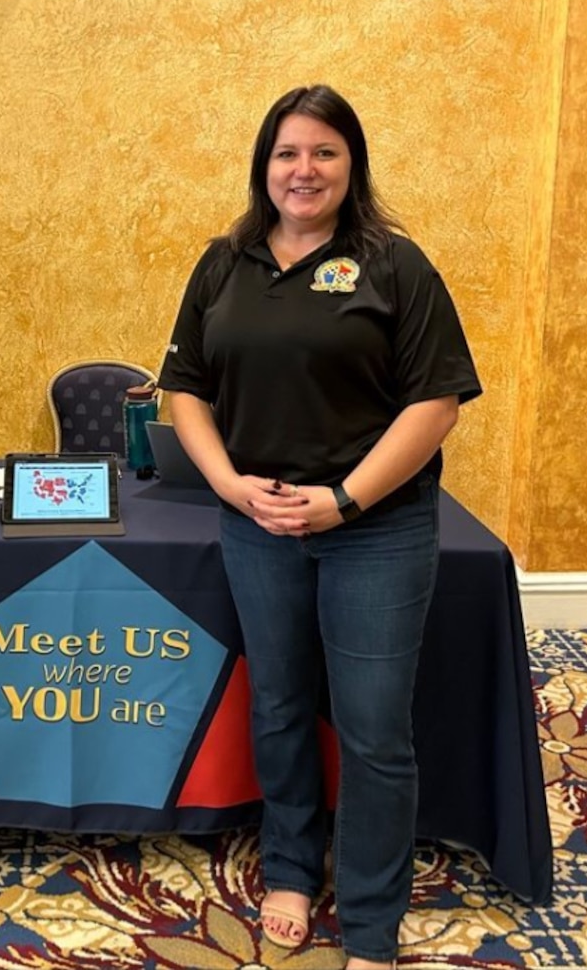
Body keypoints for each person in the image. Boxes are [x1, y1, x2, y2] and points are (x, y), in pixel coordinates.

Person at [158, 84, 480, 969]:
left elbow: (436, 402)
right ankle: (293, 872)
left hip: (374, 530)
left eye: (324, 153)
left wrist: (342, 500)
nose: (304, 170)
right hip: (258, 526)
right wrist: (229, 485)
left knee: (374, 729)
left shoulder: (392, 264)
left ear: (352, 164)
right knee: (280, 707)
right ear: (263, 166)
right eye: (287, 153)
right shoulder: (224, 263)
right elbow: (184, 387)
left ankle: (372, 918)